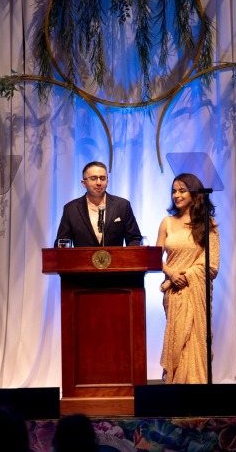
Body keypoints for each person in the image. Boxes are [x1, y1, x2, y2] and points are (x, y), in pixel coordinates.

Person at [156, 172, 219, 384]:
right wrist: (171, 274)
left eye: (182, 190)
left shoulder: (207, 224)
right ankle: (177, 391)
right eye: (174, 191)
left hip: (196, 292)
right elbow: (154, 258)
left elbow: (211, 266)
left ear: (195, 193)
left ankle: (198, 390)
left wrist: (187, 275)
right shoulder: (167, 222)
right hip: (174, 295)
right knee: (177, 340)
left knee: (194, 340)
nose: (176, 195)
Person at [54, 161, 142, 247]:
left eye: (103, 178)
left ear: (107, 181)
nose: (99, 183)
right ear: (84, 183)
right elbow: (62, 242)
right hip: (83, 261)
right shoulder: (71, 209)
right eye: (93, 178)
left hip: (115, 260)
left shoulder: (122, 205)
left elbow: (134, 239)